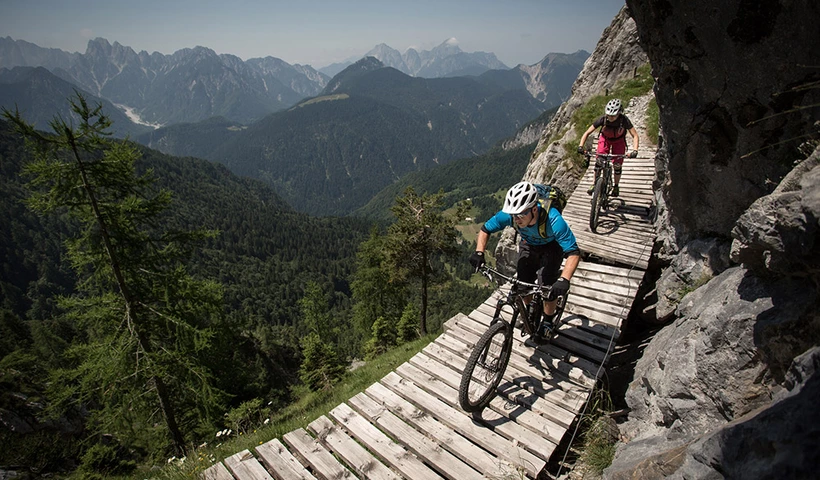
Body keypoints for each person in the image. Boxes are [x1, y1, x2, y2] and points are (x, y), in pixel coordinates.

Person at [469, 181, 581, 343]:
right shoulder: (511, 215)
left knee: (547, 286)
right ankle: (529, 310)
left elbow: (573, 252)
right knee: (522, 284)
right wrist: (479, 252)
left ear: (534, 209)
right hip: (529, 244)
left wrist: (564, 280)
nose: (516, 219)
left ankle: (548, 322)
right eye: (514, 215)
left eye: (520, 215)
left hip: (552, 247)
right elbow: (486, 229)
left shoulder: (554, 220)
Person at [577, 98, 639, 197]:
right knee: (599, 162)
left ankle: (616, 186)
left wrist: (635, 150)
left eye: (613, 116)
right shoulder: (603, 119)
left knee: (617, 165)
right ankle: (594, 184)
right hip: (605, 139)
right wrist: (581, 146)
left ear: (619, 113)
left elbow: (635, 135)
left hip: (619, 141)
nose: (610, 117)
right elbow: (587, 132)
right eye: (608, 115)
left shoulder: (624, 120)